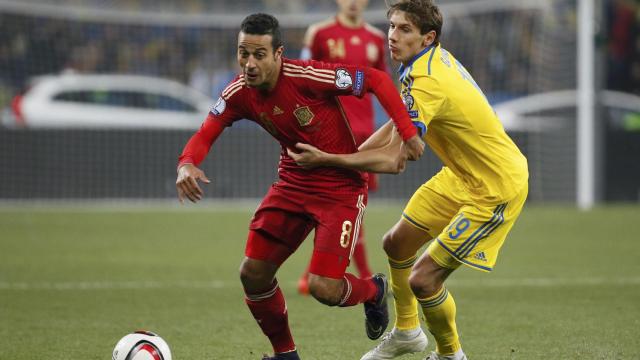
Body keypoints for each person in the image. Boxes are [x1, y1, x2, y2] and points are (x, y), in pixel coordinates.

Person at [287, 1, 529, 359]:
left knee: (423, 279)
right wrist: (346, 162)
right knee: (397, 244)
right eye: (392, 27)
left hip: (495, 188)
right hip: (462, 176)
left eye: (404, 30)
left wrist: (329, 159)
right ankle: (406, 332)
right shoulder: (423, 64)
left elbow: (396, 158)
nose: (392, 37)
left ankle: (451, 355)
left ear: (427, 37)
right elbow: (396, 123)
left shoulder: (427, 80)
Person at [175, 13, 425, 360]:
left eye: (259, 54)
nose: (249, 64)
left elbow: (377, 80)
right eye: (242, 53)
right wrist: (187, 163)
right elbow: (206, 131)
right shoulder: (238, 93)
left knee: (324, 288)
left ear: (279, 53)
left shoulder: (308, 76)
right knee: (253, 274)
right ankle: (285, 354)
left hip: (340, 189)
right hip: (293, 184)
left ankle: (373, 290)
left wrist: (408, 133)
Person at [296, 0, 388, 295]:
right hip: (330, 133)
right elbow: (301, 75)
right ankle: (364, 275)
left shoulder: (376, 39)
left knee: (352, 206)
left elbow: (383, 85)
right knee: (330, 201)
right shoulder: (320, 34)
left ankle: (317, 272)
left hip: (366, 137)